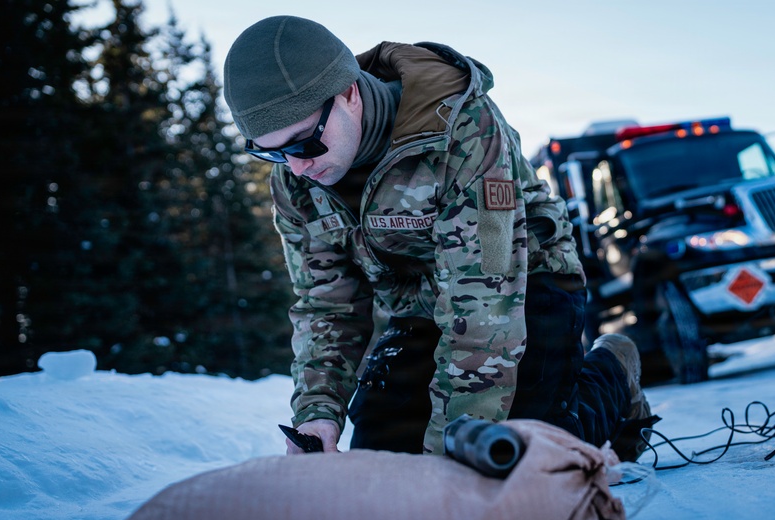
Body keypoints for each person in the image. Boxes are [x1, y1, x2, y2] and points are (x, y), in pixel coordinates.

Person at [222, 15, 657, 459]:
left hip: (525, 284)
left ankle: (613, 375)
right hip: (420, 306)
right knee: (383, 456)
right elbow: (326, 303)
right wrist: (318, 410)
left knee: (517, 454)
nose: (296, 167)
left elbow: (488, 292)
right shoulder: (295, 183)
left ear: (348, 94)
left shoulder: (463, 130)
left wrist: (452, 454)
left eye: (302, 143)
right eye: (270, 151)